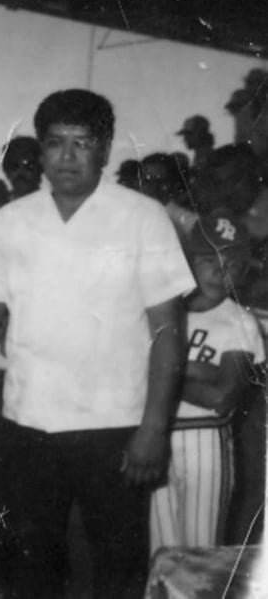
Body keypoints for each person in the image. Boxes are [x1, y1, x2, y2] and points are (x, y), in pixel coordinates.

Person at [0, 88, 195, 598]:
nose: (69, 157)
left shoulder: (142, 217)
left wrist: (154, 429)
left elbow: (168, 334)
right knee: (30, 573)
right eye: (57, 144)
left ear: (104, 149)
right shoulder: (13, 220)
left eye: (83, 143)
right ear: (42, 149)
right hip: (28, 424)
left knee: (114, 570)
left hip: (114, 428)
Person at [150, 212, 265, 552]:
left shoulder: (237, 320)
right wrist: (194, 368)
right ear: (187, 261)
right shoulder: (167, 313)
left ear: (243, 272)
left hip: (206, 440)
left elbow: (222, 396)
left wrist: (160, 371)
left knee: (199, 553)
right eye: (208, 258)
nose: (220, 270)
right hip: (158, 436)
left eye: (232, 263)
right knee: (161, 553)